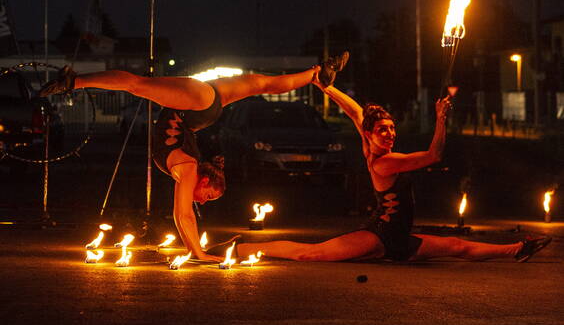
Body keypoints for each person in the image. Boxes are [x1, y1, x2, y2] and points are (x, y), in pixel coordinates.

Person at [39, 52, 350, 262]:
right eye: (209, 196)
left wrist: (196, 250)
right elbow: (183, 214)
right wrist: (198, 252)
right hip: (196, 102)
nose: (201, 201)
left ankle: (315, 74)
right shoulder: (187, 166)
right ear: (205, 179)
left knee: (262, 83)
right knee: (138, 85)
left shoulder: (187, 165)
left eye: (207, 200)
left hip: (205, 104)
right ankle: (74, 82)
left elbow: (183, 213)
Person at [235, 76, 552, 263]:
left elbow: (355, 111)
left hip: (402, 239)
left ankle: (519, 248)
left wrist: (325, 86)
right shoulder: (384, 161)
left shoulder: (369, 141)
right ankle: (243, 247)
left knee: (459, 246)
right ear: (371, 135)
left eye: (391, 128)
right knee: (311, 255)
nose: (390, 133)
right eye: (383, 130)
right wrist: (440, 118)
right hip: (379, 236)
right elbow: (434, 154)